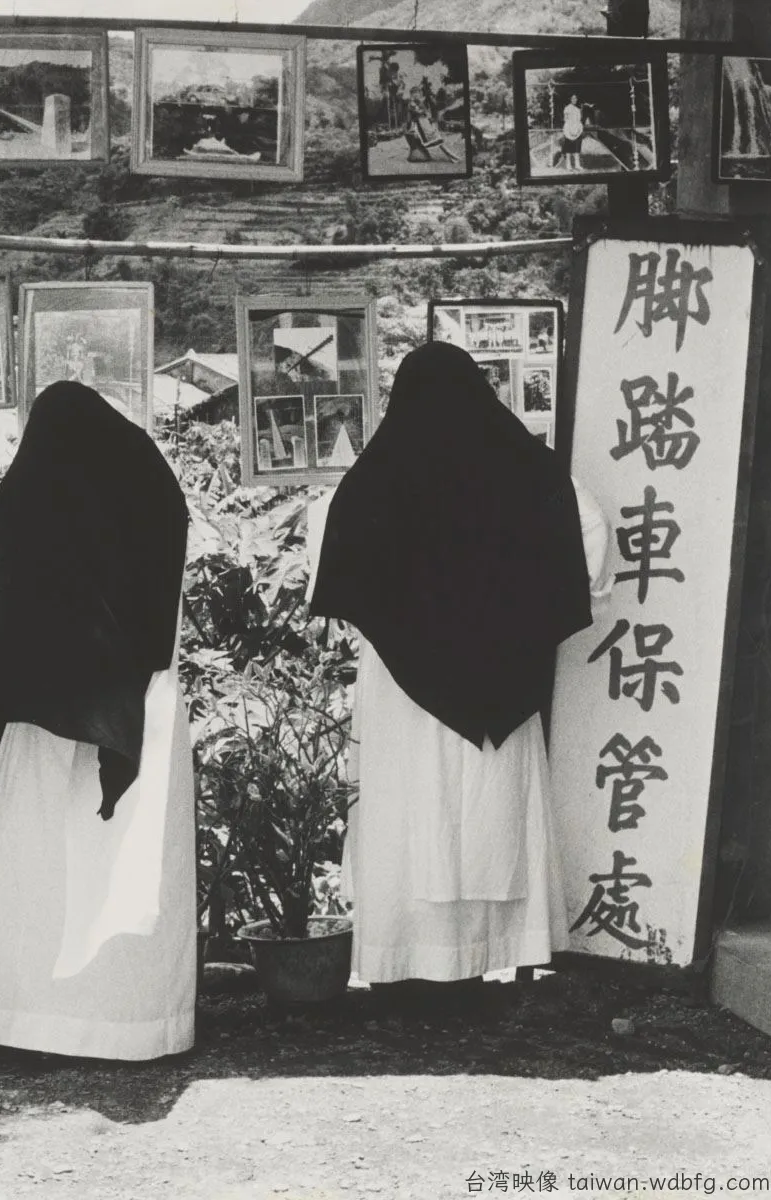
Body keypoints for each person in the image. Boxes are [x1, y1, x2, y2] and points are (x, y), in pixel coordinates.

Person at [307, 342, 612, 1009]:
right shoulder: (527, 469)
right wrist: (527, 618)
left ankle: (402, 963)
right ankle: (486, 959)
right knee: (489, 811)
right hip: (501, 673)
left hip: (400, 684)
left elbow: (330, 554)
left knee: (405, 811)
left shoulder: (377, 475)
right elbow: (590, 537)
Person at [0, 381, 195, 1061]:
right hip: (140, 711)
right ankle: (136, 1025)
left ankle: (33, 1025)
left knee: (40, 872)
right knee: (129, 862)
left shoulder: (26, 509)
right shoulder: (148, 486)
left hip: (40, 719)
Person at [557, 93, 586, 170]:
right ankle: (568, 164)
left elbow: (579, 120)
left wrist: (578, 129)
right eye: (573, 98)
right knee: (568, 148)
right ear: (570, 99)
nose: (574, 100)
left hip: (577, 129)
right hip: (569, 129)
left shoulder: (578, 109)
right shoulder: (567, 108)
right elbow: (566, 120)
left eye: (575, 98)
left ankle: (577, 165)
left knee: (577, 148)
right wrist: (570, 130)